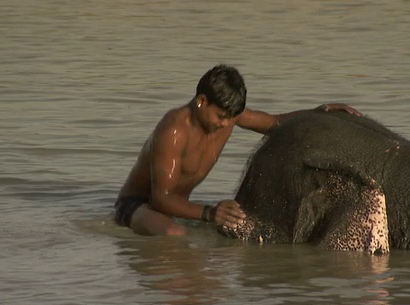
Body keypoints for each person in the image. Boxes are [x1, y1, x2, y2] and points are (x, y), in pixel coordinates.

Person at [115, 64, 362, 236]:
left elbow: (274, 123)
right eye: (221, 116)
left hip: (178, 206)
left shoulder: (229, 116)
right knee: (174, 234)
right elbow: (162, 198)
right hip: (140, 205)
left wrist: (319, 113)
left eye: (231, 117)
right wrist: (210, 213)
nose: (225, 123)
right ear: (201, 101)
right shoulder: (174, 130)